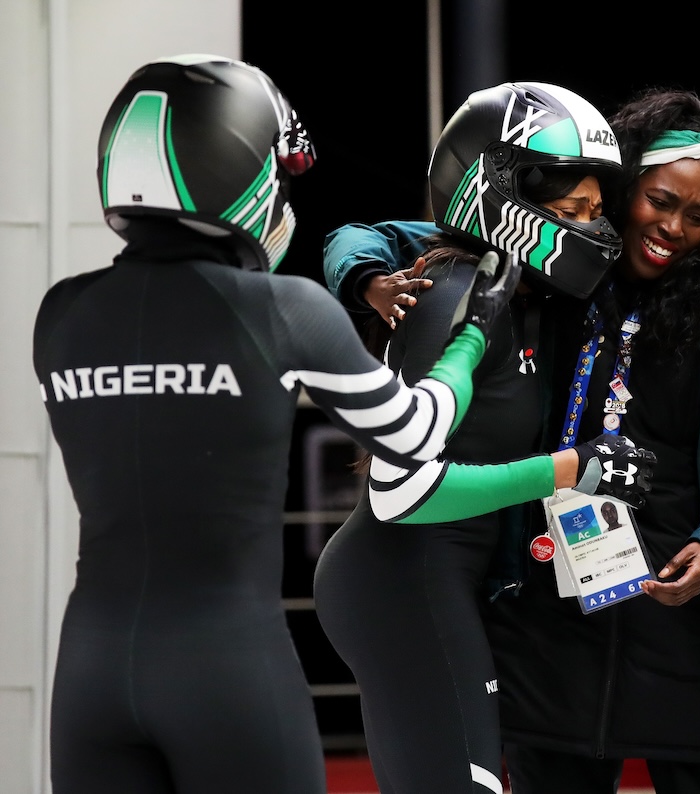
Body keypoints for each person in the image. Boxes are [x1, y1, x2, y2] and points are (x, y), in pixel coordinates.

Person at [32, 55, 522, 794]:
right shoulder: (283, 309)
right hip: (226, 667)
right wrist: (474, 331)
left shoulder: (61, 313)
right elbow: (417, 433)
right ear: (241, 170)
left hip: (89, 672)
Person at [313, 81, 656, 794]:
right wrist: (570, 469)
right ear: (500, 197)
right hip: (405, 576)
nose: (594, 229)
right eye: (572, 211)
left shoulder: (512, 294)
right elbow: (400, 494)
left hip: (438, 578)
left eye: (597, 211)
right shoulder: (453, 294)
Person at [481, 88, 700, 794]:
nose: (674, 227)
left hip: (691, 630)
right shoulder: (551, 277)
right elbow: (387, 236)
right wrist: (368, 278)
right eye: (660, 201)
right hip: (551, 626)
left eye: (697, 216)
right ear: (623, 187)